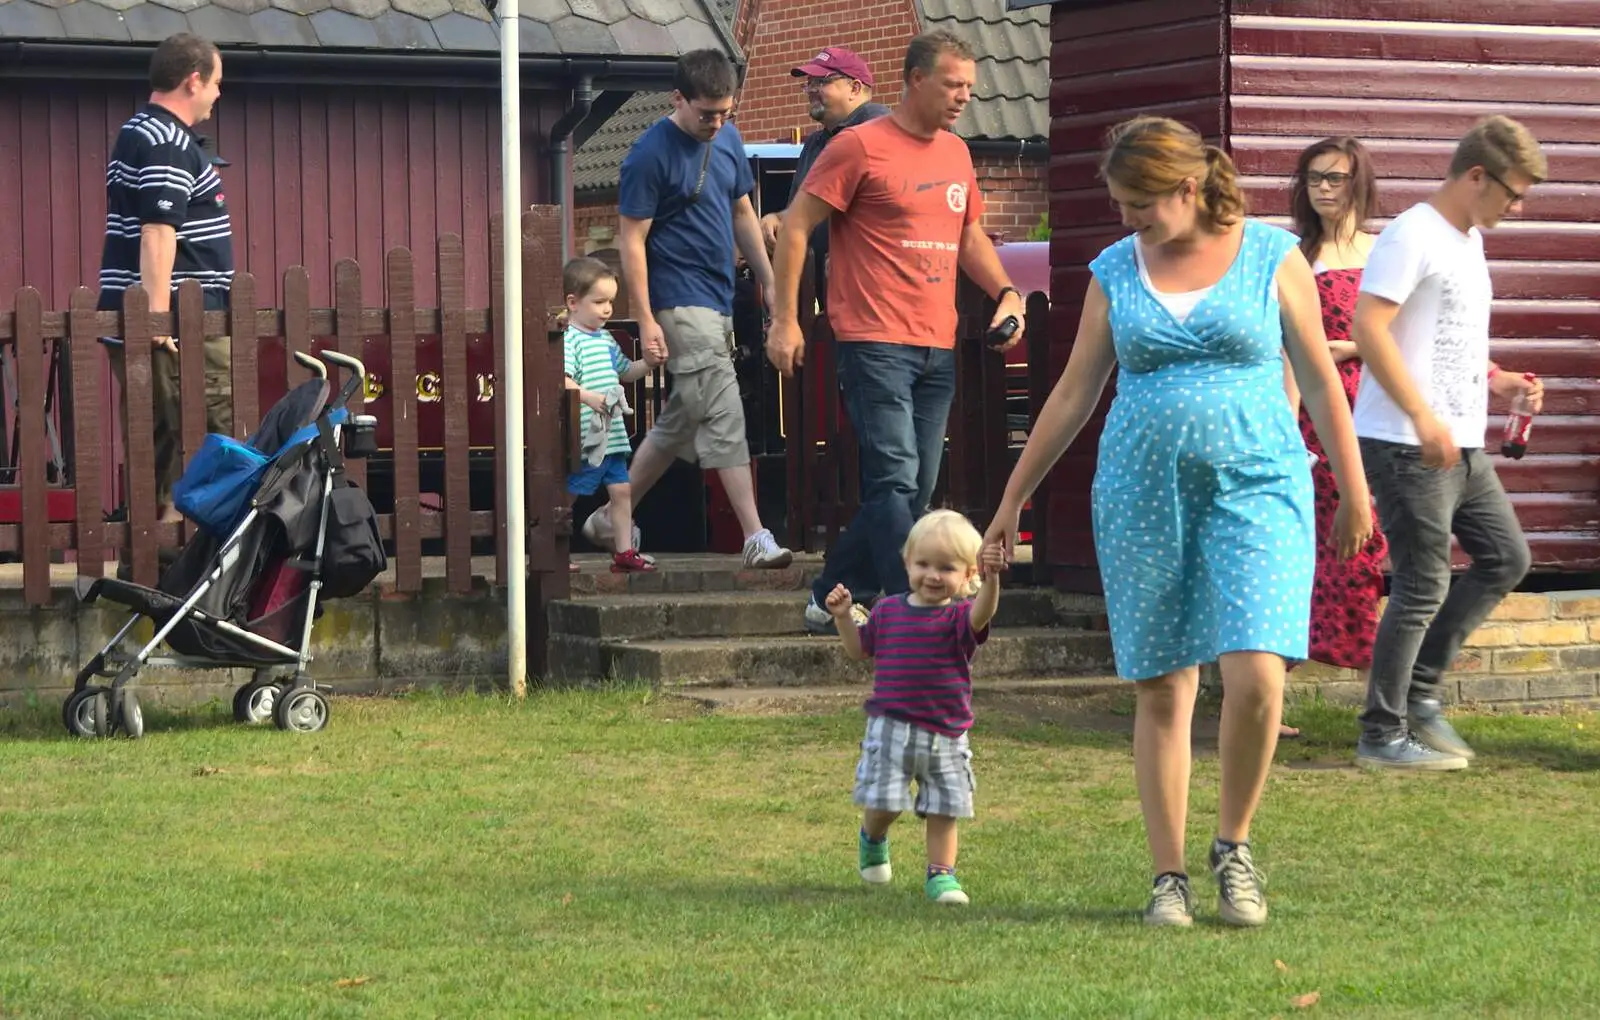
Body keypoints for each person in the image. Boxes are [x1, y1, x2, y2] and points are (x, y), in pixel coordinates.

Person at [983, 116, 1372, 928]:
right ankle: (1169, 877)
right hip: (1140, 491)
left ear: (1188, 187)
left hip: (1258, 482)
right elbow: (1073, 393)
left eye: (1140, 204)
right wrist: (1013, 497)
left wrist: (1355, 485)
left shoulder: (1272, 257)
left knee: (1258, 673)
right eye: (1121, 203)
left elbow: (1320, 378)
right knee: (1163, 686)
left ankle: (1234, 849)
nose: (1128, 219)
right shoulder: (1116, 269)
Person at [768, 30, 1026, 635]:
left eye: (969, 86)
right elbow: (797, 227)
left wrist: (1006, 292)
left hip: (936, 342)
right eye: (951, 84)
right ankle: (906, 606)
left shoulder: (957, 154)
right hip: (872, 337)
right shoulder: (857, 147)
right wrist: (785, 319)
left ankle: (827, 593)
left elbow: (968, 238)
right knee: (895, 477)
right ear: (915, 80)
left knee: (916, 486)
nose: (963, 96)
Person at [1351, 116, 1546, 770]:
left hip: (1460, 443)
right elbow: (1370, 328)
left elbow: (1441, 335)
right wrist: (1421, 414)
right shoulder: (1413, 235)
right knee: (1421, 585)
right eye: (1511, 193)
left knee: (1505, 558)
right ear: (1474, 176)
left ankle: (1422, 696)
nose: (1516, 207)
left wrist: (1500, 382)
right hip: (1407, 440)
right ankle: (1382, 734)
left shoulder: (1467, 240)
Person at [589, 49, 793, 570]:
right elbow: (631, 241)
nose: (717, 122)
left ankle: (612, 516)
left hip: (720, 298)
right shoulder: (646, 155)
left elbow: (742, 209)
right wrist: (646, 316)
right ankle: (755, 534)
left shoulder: (727, 137)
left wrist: (769, 282)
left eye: (725, 111)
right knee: (724, 410)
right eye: (707, 113)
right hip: (680, 302)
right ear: (678, 99)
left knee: (679, 422)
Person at [826, 509, 1003, 906]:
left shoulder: (960, 618)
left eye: (947, 567)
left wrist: (993, 582)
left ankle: (941, 875)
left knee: (945, 806)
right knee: (885, 801)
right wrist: (842, 619)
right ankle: (872, 837)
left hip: (946, 733)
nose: (933, 575)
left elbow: (984, 611)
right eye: (923, 564)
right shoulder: (887, 611)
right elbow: (858, 651)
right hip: (890, 729)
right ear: (906, 563)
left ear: (967, 576)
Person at [1277, 136, 1390, 739]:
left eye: (1337, 178)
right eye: (1315, 177)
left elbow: (1404, 336)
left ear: (1359, 183)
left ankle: (1379, 686)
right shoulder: (1294, 257)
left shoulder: (1382, 253)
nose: (1324, 188)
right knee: (1298, 549)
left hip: (1370, 411)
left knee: (1363, 547)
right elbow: (1289, 349)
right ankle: (1270, 690)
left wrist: (1351, 347)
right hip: (1312, 418)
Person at [97, 32, 233, 526]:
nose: (219, 95)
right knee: (197, 437)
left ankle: (157, 559)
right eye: (216, 83)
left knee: (161, 440)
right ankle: (185, 567)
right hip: (176, 326)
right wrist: (157, 317)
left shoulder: (139, 131)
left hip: (170, 320)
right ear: (193, 80)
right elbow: (157, 231)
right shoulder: (167, 141)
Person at [758, 45, 891, 294]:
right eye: (809, 83)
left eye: (821, 81)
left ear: (854, 88)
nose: (811, 90)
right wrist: (778, 219)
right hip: (822, 289)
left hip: (870, 291)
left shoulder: (880, 132)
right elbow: (805, 208)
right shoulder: (815, 143)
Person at [562, 257, 664, 574]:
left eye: (611, 302)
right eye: (600, 302)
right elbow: (561, 379)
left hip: (614, 434)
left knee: (622, 491)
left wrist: (648, 362)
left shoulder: (606, 340)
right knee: (568, 497)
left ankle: (624, 551)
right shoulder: (570, 339)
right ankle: (553, 550)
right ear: (573, 302)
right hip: (586, 437)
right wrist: (588, 397)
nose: (607, 309)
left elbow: (627, 372)